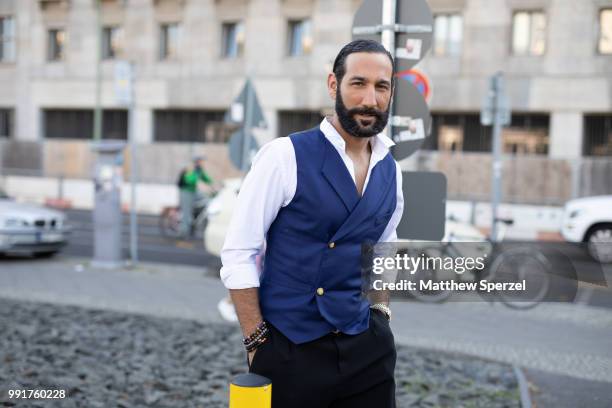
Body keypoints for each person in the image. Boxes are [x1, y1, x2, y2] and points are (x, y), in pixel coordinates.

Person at [220, 39, 404, 407]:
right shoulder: (284, 156)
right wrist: (257, 342)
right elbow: (239, 252)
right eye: (358, 83)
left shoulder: (390, 168)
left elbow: (383, 247)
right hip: (290, 349)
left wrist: (381, 314)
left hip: (366, 349)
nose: (370, 98)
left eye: (381, 87)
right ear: (334, 85)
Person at [177, 156, 214, 238]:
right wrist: (196, 178)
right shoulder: (190, 169)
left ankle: (194, 221)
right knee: (187, 212)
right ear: (197, 162)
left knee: (205, 199)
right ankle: (183, 232)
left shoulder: (199, 170)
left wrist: (213, 186)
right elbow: (189, 180)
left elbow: (206, 179)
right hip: (186, 192)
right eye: (201, 161)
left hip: (193, 191)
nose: (202, 163)